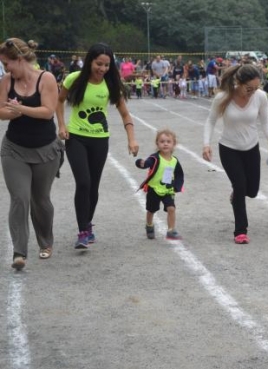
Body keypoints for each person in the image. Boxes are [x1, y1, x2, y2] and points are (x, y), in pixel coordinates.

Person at [56, 42, 140, 249]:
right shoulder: (73, 79)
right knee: (83, 182)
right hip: (75, 137)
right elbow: (59, 101)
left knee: (93, 186)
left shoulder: (110, 85)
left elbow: (125, 114)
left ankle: (88, 225)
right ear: (89, 61)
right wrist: (61, 125)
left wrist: (132, 138)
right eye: (98, 64)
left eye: (106, 65)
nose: (102, 69)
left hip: (100, 140)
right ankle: (83, 231)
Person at [0, 38, 63, 270]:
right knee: (19, 198)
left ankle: (45, 241)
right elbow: (0, 111)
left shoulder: (46, 78)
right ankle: (19, 252)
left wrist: (19, 109)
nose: (5, 69)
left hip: (46, 150)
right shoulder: (6, 81)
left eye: (7, 64)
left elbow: (47, 112)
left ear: (19, 59)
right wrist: (12, 113)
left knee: (41, 201)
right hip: (14, 149)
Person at [203, 64, 268, 244]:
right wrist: (206, 144)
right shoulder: (223, 97)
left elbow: (265, 121)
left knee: (251, 191)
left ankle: (237, 195)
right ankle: (240, 230)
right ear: (238, 82)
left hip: (251, 147)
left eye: (256, 88)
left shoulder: (260, 97)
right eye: (249, 88)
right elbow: (210, 120)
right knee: (240, 185)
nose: (252, 92)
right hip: (229, 148)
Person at [136, 129, 184, 240]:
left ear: (173, 144)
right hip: (154, 189)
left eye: (168, 141)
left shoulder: (174, 161)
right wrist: (141, 163)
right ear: (157, 144)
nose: (165, 144)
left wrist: (176, 186)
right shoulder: (155, 158)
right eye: (162, 141)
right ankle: (149, 225)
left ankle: (171, 230)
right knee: (151, 210)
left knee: (171, 208)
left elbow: (179, 174)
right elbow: (147, 163)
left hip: (168, 190)